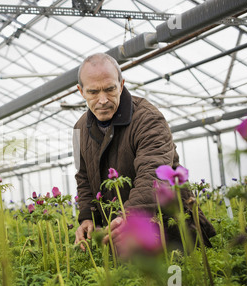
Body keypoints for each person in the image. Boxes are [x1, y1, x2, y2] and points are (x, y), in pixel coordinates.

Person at [72, 52, 216, 253]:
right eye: (94, 92)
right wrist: (87, 216)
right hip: (121, 236)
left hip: (169, 231)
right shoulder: (79, 129)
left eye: (110, 89)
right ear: (81, 91)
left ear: (121, 85)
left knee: (179, 278)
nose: (102, 99)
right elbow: (83, 176)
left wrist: (129, 216)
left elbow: (153, 173)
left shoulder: (148, 119)